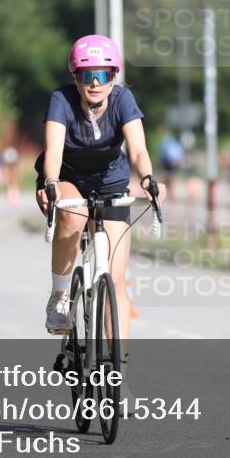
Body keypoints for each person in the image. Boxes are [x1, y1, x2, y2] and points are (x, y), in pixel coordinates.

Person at [35, 34, 165, 343]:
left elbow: (137, 150)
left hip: (110, 181)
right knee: (76, 214)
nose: (95, 83)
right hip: (66, 177)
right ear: (75, 76)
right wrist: (51, 183)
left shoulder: (123, 100)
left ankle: (118, 361)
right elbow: (53, 151)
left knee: (116, 280)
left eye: (103, 74)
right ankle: (61, 296)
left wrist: (148, 178)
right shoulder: (61, 100)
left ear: (114, 76)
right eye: (86, 74)